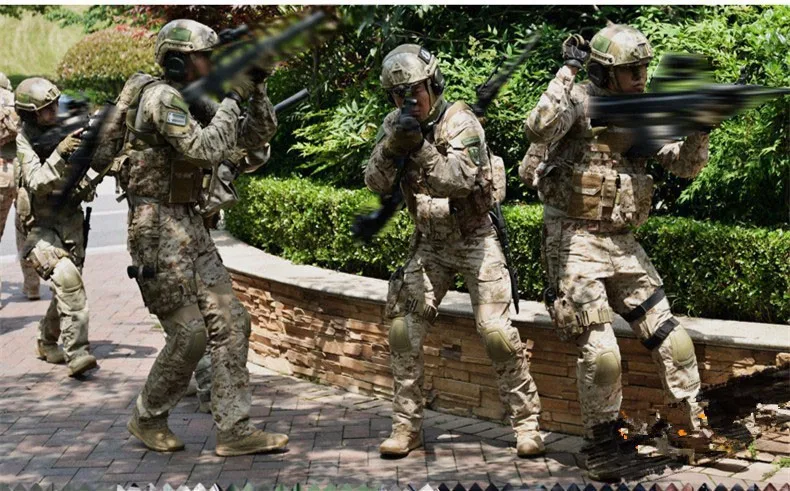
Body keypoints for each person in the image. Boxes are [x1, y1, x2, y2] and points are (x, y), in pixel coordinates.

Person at [523, 24, 711, 450]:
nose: (641, 77)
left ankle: (691, 429)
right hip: (573, 239)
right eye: (631, 70)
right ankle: (603, 444)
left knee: (672, 337)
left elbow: (684, 166)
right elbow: (537, 128)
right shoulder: (577, 100)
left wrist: (700, 129)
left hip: (622, 242)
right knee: (602, 354)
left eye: (644, 68)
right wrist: (567, 70)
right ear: (605, 72)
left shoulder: (643, 110)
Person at [365, 44, 544, 458]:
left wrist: (419, 147)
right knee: (403, 330)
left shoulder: (461, 122)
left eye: (415, 91)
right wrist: (393, 147)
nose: (408, 101)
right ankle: (406, 427)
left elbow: (458, 181)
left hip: (476, 239)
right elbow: (375, 182)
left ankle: (527, 424)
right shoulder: (395, 125)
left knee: (496, 334)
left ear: (433, 84)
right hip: (430, 244)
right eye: (398, 95)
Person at [120, 18, 286, 456]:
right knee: (190, 334)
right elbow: (205, 150)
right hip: (157, 230)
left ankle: (235, 430)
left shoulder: (193, 100)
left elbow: (254, 136)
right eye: (203, 57)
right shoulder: (162, 99)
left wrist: (256, 88)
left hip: (189, 224)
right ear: (177, 61)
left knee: (233, 322)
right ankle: (148, 416)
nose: (211, 64)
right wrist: (233, 96)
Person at [14, 77, 97, 376]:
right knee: (68, 281)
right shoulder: (25, 141)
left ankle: (46, 339)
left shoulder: (67, 127)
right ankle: (78, 354)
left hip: (71, 221)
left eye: (55, 105)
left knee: (68, 287)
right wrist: (61, 152)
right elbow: (37, 182)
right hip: (40, 226)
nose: (54, 111)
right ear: (30, 115)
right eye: (46, 109)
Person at [0, 72, 40, 305]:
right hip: (23, 168)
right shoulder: (16, 99)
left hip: (1, 171)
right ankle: (32, 285)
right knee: (26, 228)